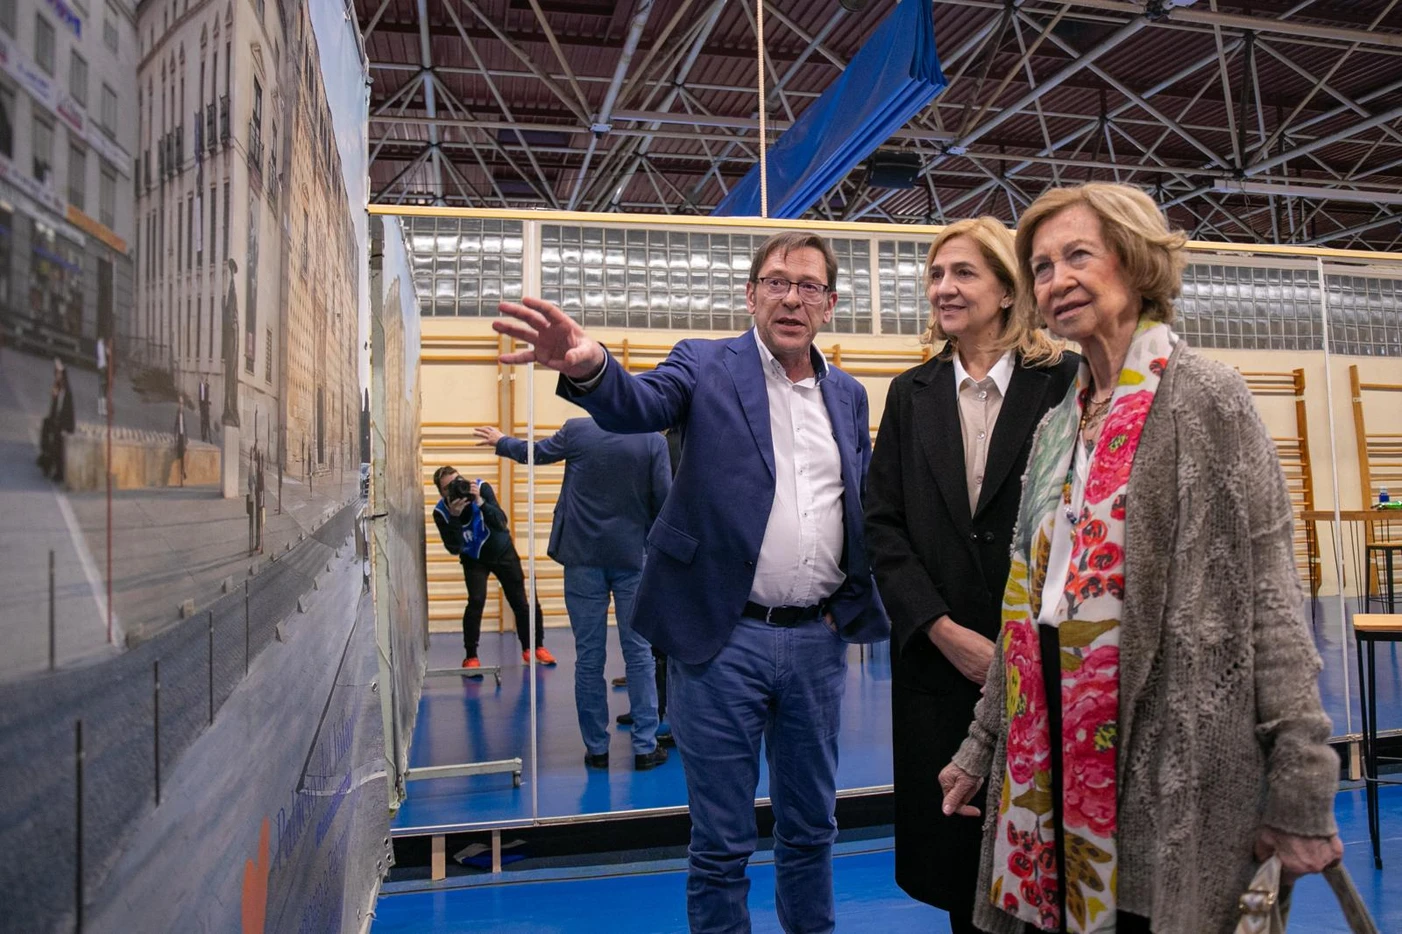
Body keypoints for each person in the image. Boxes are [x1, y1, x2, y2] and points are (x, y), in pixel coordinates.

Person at [937, 183, 1342, 934]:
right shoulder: (1062, 422)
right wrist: (980, 745)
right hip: (1052, 750)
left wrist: (1302, 785)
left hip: (1170, 755)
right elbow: (1030, 607)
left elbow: (1271, 598)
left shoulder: (1205, 398)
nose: (1056, 280)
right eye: (1042, 266)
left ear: (1135, 259)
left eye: (1077, 255)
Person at [496, 231, 887, 934]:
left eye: (808, 286)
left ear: (829, 304)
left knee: (811, 830)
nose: (791, 297)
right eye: (775, 282)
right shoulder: (704, 366)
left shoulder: (850, 396)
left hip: (818, 642)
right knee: (721, 845)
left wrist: (853, 606)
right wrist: (590, 369)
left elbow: (856, 503)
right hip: (721, 639)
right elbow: (638, 406)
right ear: (750, 295)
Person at [864, 217, 1078, 934]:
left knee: (1058, 863)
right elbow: (882, 526)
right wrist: (939, 628)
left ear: (1008, 290)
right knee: (962, 873)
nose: (944, 289)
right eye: (935, 275)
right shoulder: (910, 393)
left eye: (963, 274)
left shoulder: (1066, 383)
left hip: (1051, 661)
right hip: (941, 666)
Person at [476, 417, 672, 770]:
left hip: (582, 557)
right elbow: (664, 502)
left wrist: (502, 441)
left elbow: (535, 454)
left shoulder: (578, 430)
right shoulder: (651, 439)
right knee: (640, 655)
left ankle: (597, 749)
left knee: (589, 657)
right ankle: (645, 746)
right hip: (632, 557)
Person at [431, 465, 555, 668]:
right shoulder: (441, 512)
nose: (456, 487)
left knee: (520, 601)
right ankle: (471, 656)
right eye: (449, 487)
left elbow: (501, 522)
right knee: (476, 601)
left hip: (502, 551)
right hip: (473, 557)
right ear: (442, 492)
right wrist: (454, 516)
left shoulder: (480, 488)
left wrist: (480, 502)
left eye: (458, 480)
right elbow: (454, 548)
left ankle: (534, 647)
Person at [37, 358, 75, 482]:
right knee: (46, 428)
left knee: (56, 441)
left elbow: (67, 411)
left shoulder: (66, 391)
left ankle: (56, 471)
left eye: (58, 373)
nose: (56, 376)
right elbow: (54, 408)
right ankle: (45, 461)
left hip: (63, 424)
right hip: (56, 421)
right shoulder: (57, 388)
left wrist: (63, 425)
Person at [173, 397, 188, 485]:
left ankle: (182, 474)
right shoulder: (178, 414)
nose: (181, 405)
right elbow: (175, 426)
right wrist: (175, 438)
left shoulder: (183, 413)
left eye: (182, 403)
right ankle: (182, 474)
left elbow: (185, 426)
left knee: (182, 457)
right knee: (180, 457)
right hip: (179, 437)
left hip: (182, 437)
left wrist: (186, 437)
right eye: (180, 403)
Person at [95, 336, 109, 418]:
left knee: (102, 387)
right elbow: (106, 354)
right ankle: (102, 409)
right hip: (103, 366)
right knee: (103, 387)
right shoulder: (102, 344)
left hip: (101, 366)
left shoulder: (99, 344)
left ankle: (101, 409)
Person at [198, 376, 211, 442]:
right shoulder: (200, 386)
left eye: (206, 380)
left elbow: (207, 397)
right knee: (202, 421)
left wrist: (209, 402)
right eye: (202, 380)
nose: (204, 381)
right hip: (202, 406)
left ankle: (205, 435)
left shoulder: (207, 387)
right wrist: (200, 405)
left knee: (206, 421)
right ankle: (202, 434)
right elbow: (200, 396)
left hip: (206, 407)